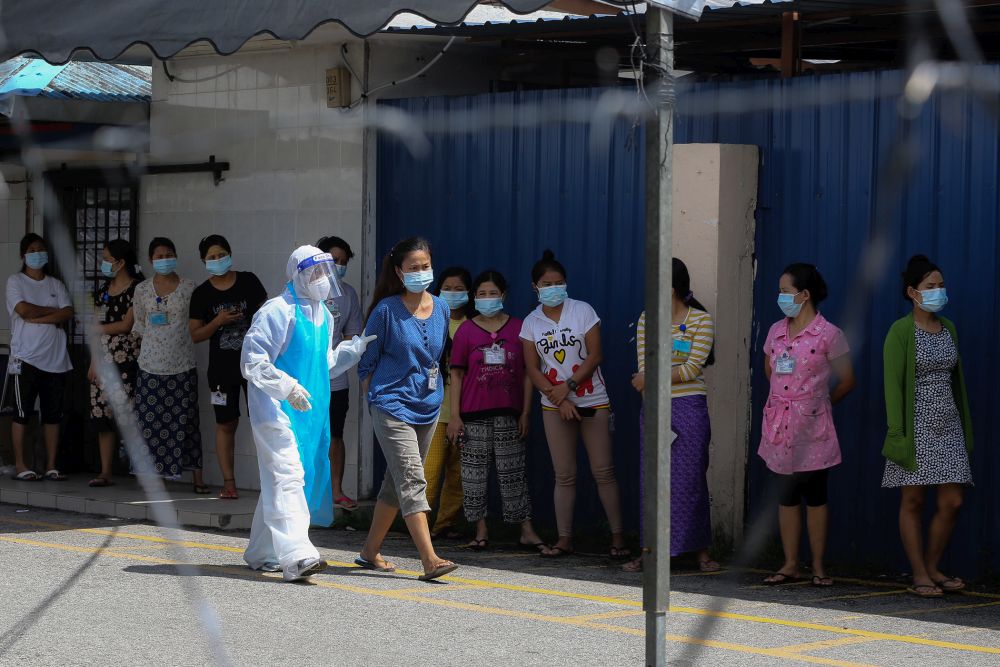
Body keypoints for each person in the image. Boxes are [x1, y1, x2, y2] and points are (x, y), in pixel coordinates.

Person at [241, 245, 373, 582]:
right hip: (276, 411)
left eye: (326, 274)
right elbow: (253, 362)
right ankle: (297, 554)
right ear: (297, 275)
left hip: (309, 413)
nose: (323, 280)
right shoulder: (276, 312)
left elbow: (322, 364)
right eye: (315, 273)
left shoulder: (324, 316)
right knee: (288, 477)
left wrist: (350, 352)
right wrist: (286, 387)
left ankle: (261, 550)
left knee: (282, 478)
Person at [356, 237, 459, 581]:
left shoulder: (443, 308)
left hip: (428, 404)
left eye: (425, 266)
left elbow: (437, 357)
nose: (420, 272)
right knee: (413, 478)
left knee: (395, 482)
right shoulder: (386, 310)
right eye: (412, 268)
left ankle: (369, 552)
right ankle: (430, 560)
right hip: (390, 405)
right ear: (399, 272)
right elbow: (365, 362)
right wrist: (376, 400)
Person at [520, 250, 628, 559]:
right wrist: (559, 398)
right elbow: (532, 369)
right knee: (564, 474)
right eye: (547, 283)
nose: (554, 288)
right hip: (554, 405)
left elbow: (595, 356)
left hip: (593, 399)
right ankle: (564, 539)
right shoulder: (531, 323)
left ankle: (618, 538)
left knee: (603, 470)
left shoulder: (583, 311)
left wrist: (567, 388)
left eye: (559, 282)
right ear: (535, 287)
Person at [882, 255, 973, 598]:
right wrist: (897, 435)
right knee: (913, 501)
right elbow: (892, 387)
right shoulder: (900, 331)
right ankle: (919, 573)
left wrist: (964, 430)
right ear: (911, 292)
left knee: (952, 501)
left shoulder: (948, 328)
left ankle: (933, 565)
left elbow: (956, 381)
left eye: (941, 285)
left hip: (948, 425)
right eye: (929, 286)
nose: (937, 291)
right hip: (913, 426)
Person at [759, 263, 855, 588]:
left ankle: (818, 566)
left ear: (804, 294)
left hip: (813, 427)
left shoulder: (830, 335)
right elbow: (770, 370)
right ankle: (790, 564)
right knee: (786, 496)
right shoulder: (775, 331)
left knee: (815, 495)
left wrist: (818, 404)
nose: (780, 297)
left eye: (785, 291)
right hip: (779, 425)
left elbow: (847, 380)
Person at [623, 258, 719, 573]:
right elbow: (642, 368)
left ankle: (699, 551)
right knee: (653, 481)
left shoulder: (700, 321)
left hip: (689, 407)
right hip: (654, 407)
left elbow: (693, 368)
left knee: (689, 479)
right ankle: (650, 551)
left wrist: (651, 378)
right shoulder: (646, 319)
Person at [448, 270, 549, 552]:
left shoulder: (519, 328)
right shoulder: (466, 330)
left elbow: (530, 373)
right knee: (473, 477)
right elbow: (456, 375)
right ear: (474, 297)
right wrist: (455, 417)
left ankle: (526, 530)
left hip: (509, 413)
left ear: (503, 296)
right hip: (472, 415)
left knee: (513, 474)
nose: (487, 298)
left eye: (492, 293)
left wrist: (526, 412)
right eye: (481, 294)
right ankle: (480, 531)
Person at [189, 235, 267, 500]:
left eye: (222, 254)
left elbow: (268, 317)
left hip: (255, 366)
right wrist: (218, 321)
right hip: (221, 370)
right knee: (226, 423)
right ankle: (229, 482)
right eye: (211, 257)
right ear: (203, 261)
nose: (217, 260)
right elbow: (196, 334)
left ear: (230, 254)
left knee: (264, 421)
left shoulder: (248, 281)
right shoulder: (201, 294)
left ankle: (269, 481)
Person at [132, 237, 206, 491]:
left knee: (187, 422)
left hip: (182, 364)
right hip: (149, 365)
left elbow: (196, 323)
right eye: (159, 255)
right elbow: (139, 325)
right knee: (151, 424)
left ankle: (197, 479)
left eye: (169, 254)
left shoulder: (190, 287)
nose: (164, 259)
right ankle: (156, 480)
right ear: (151, 260)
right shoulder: (141, 290)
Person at [5, 233, 74, 481]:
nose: (37, 253)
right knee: (21, 413)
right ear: (23, 255)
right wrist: (51, 314)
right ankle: (22, 465)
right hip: (25, 357)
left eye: (41, 249)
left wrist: (40, 317)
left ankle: (51, 464)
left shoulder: (55, 284)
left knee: (52, 414)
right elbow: (22, 310)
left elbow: (66, 312)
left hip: (55, 360)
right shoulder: (16, 281)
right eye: (32, 250)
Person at [424, 266, 474, 539]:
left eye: (459, 289)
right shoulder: (429, 319)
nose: (453, 294)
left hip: (467, 410)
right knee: (428, 473)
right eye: (448, 288)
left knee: (458, 474)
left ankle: (445, 525)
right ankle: (420, 524)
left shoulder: (475, 324)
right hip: (433, 410)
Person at [88, 239, 143, 487]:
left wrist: (98, 328)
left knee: (131, 417)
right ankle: (105, 471)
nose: (104, 263)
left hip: (128, 361)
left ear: (121, 263)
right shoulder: (101, 292)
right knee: (103, 418)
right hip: (103, 361)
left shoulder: (137, 289)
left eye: (107, 259)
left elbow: (126, 325)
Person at [316, 235, 363, 512]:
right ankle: (308, 491)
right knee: (310, 435)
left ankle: (336, 491)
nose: (340, 266)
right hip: (306, 378)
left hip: (336, 378)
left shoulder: (348, 294)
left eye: (344, 262)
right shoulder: (307, 291)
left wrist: (340, 354)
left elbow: (353, 334)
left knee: (335, 434)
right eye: (335, 260)